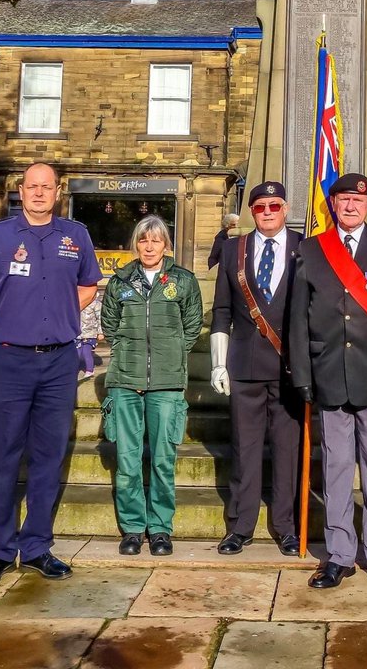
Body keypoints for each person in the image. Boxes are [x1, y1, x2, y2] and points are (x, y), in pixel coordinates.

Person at [0, 162, 102, 587]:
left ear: (57, 192)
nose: (39, 193)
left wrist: (53, 318)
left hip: (59, 363)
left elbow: (89, 286)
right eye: (31, 186)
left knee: (48, 455)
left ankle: (37, 546)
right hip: (8, 361)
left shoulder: (75, 236)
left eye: (47, 187)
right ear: (21, 191)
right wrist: (6, 318)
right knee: (2, 456)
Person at [289, 172, 367, 592]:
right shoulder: (311, 250)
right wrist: (302, 374)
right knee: (337, 467)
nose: (350, 207)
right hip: (328, 375)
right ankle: (340, 554)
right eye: (342, 200)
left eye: (357, 201)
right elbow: (297, 321)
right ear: (332, 204)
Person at [101, 216, 202, 557]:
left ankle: (159, 528)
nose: (149, 247)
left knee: (162, 459)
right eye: (143, 240)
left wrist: (170, 354)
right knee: (128, 461)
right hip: (125, 381)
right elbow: (109, 326)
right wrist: (130, 355)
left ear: (165, 244)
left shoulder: (183, 281)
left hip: (167, 382)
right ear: (136, 244)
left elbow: (191, 327)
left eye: (155, 241)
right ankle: (132, 528)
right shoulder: (120, 281)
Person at [210, 181, 302, 556]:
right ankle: (241, 525)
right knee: (245, 450)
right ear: (251, 210)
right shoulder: (234, 248)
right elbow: (221, 310)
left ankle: (286, 525)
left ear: (286, 207)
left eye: (274, 206)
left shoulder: (305, 248)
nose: (267, 212)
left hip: (291, 368)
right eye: (260, 207)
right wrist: (218, 362)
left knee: (287, 451)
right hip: (245, 365)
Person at [77, 288, 102, 379]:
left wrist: (100, 332)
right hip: (78, 333)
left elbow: (100, 318)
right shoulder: (76, 302)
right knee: (77, 353)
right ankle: (75, 369)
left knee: (86, 352)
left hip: (90, 333)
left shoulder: (96, 304)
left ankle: (89, 370)